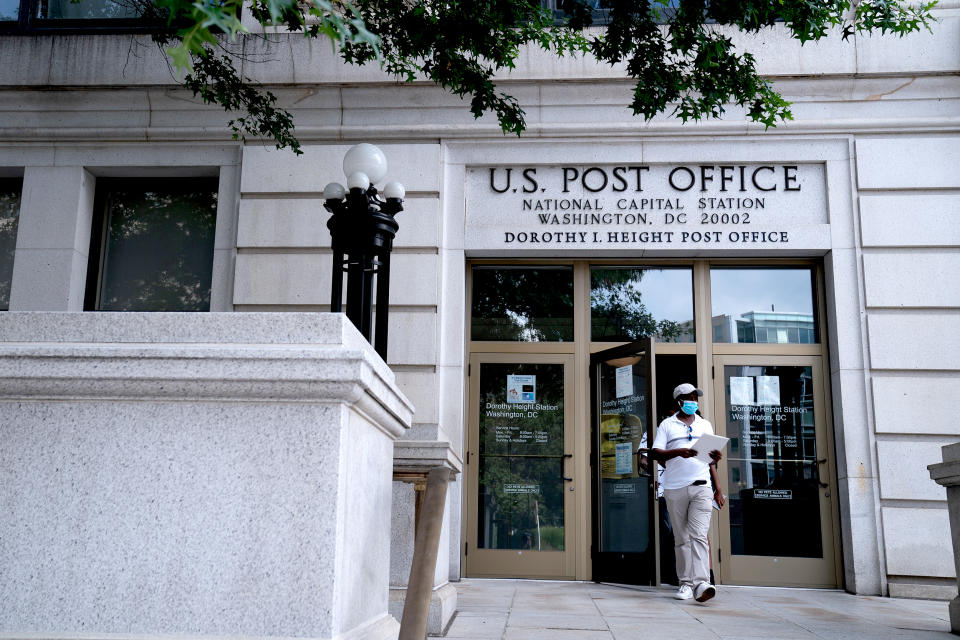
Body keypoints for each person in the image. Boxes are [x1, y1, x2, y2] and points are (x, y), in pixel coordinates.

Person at [651, 383, 725, 603]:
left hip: (702, 486)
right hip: (675, 488)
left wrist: (715, 459)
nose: (693, 400)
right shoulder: (667, 425)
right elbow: (656, 453)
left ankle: (702, 583)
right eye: (689, 397)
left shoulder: (705, 424)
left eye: (695, 397)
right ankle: (685, 583)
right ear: (679, 401)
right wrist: (678, 452)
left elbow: (710, 458)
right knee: (681, 538)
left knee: (699, 535)